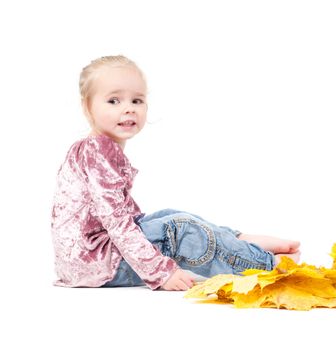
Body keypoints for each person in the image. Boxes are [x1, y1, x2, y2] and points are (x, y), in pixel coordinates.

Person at [51, 55, 301, 291]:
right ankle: (262, 264)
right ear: (87, 107)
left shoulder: (97, 148)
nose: (128, 109)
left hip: (88, 258)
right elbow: (117, 223)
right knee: (178, 229)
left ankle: (238, 241)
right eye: (114, 101)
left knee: (168, 215)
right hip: (97, 263)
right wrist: (160, 272)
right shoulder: (98, 150)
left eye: (136, 100)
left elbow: (125, 215)